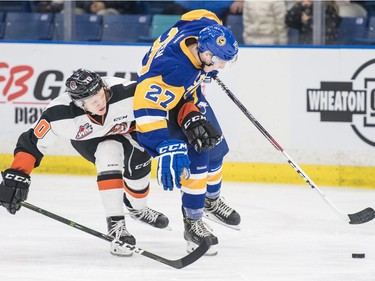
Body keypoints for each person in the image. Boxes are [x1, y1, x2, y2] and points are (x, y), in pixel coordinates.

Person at [0, 69, 169, 257]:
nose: (100, 102)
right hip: (91, 141)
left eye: (100, 95)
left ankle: (138, 209)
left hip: (132, 133)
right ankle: (116, 225)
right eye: (92, 101)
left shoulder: (129, 91)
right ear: (79, 103)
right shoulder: (59, 114)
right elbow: (31, 143)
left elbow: (164, 106)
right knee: (108, 151)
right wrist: (18, 175)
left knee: (138, 181)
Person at [133, 9, 241, 256]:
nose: (222, 66)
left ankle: (210, 202)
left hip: (188, 95)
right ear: (204, 52)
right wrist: (162, 143)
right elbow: (147, 105)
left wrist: (208, 67)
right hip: (167, 103)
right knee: (199, 153)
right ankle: (193, 222)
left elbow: (203, 14)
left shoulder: (204, 27)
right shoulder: (172, 70)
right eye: (218, 60)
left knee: (215, 146)